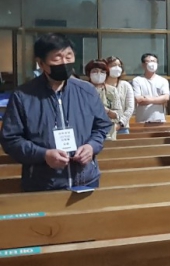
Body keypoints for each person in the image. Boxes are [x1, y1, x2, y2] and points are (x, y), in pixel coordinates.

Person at [0, 34, 112, 192]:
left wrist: (91, 146)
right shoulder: (23, 96)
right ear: (41, 63)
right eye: (57, 58)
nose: (65, 62)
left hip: (86, 180)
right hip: (42, 184)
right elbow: (10, 139)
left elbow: (102, 126)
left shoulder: (87, 91)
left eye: (69, 56)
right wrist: (43, 155)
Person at [86, 59, 121, 141]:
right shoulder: (82, 89)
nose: (99, 74)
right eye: (95, 71)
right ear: (88, 73)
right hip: (87, 130)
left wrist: (106, 110)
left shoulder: (112, 90)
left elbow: (118, 115)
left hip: (108, 132)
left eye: (102, 72)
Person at [132, 53, 170, 125]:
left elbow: (166, 98)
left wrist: (147, 99)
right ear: (143, 65)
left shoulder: (163, 80)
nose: (152, 64)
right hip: (142, 120)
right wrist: (159, 100)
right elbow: (138, 99)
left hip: (159, 119)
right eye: (149, 61)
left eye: (154, 61)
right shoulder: (137, 80)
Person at [104, 56, 135, 135]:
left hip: (122, 128)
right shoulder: (100, 86)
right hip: (103, 127)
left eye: (119, 65)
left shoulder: (126, 85)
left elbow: (130, 108)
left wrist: (120, 124)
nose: (117, 68)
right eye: (113, 65)